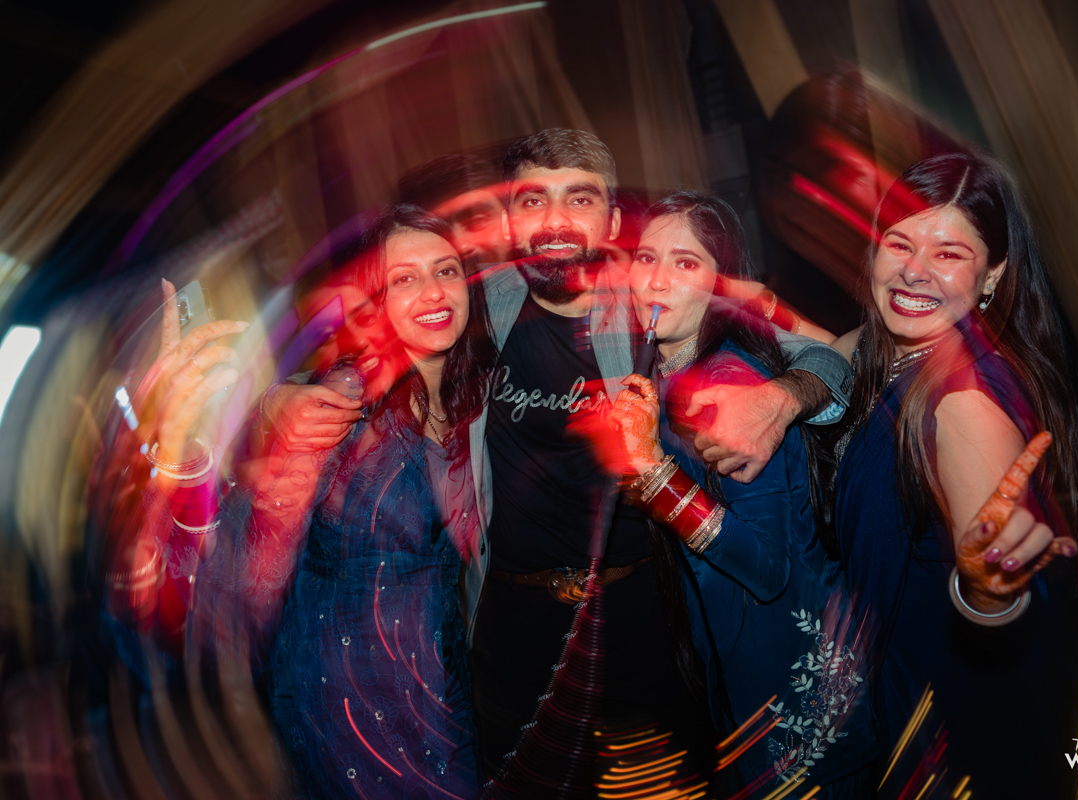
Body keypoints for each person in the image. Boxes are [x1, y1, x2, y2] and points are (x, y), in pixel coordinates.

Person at [267, 130, 855, 782]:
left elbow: (828, 358)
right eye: (532, 200)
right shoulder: (477, 304)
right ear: (508, 220)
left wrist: (782, 398)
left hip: (642, 620)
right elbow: (380, 344)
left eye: (578, 199)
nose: (554, 222)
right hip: (513, 627)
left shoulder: (651, 299)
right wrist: (278, 400)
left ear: (611, 221)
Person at [198, 205, 497, 799]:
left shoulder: (473, 396)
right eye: (404, 279)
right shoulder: (341, 406)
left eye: (445, 270)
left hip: (438, 689)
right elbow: (250, 575)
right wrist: (267, 414)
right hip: (346, 707)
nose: (433, 292)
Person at [828, 152, 1078, 798]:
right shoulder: (900, 360)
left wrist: (989, 593)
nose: (914, 269)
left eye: (949, 253)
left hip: (956, 742)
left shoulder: (962, 402)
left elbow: (1008, 603)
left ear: (993, 274)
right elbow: (830, 350)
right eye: (900, 243)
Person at [604, 191, 877, 798]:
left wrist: (653, 472)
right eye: (646, 258)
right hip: (749, 687)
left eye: (685, 262)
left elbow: (766, 568)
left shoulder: (730, 383)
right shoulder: (666, 374)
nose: (656, 280)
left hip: (798, 698)